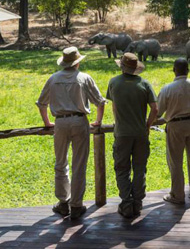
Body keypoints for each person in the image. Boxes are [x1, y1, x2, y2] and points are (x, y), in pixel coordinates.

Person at [36, 47, 106, 219]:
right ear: (77, 62)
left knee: (60, 163)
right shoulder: (84, 78)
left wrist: (47, 123)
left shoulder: (53, 79)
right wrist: (98, 121)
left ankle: (62, 202)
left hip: (60, 123)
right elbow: (100, 102)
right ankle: (76, 205)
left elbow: (41, 103)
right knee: (79, 164)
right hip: (79, 121)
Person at [106, 53, 158, 218]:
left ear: (121, 66)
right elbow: (155, 109)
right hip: (140, 134)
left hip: (122, 133)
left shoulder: (114, 83)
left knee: (122, 169)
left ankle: (126, 203)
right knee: (139, 168)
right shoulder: (144, 84)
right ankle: (138, 202)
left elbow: (114, 107)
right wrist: (147, 125)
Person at [157, 58, 190, 205]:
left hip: (176, 126)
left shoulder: (167, 88)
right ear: (188, 70)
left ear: (174, 70)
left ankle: (178, 195)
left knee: (175, 161)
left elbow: (159, 112)